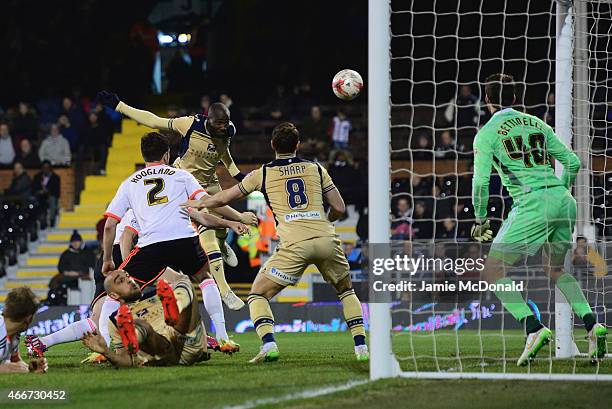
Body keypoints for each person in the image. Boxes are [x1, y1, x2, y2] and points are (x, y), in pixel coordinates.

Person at [183, 122, 369, 363]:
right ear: (298, 145)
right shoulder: (316, 168)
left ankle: (269, 344)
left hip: (294, 244)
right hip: (325, 238)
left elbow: (224, 197)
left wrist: (199, 203)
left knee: (257, 295)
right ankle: (361, 348)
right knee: (346, 291)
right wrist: (326, 220)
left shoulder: (262, 173)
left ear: (272, 145)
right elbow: (339, 207)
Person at [471, 73, 607, 365]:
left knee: (493, 271)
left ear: (487, 100)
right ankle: (592, 323)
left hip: (532, 202)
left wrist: (481, 218)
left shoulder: (487, 133)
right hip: (563, 200)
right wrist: (559, 190)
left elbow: (481, 183)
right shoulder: (537, 123)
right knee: (555, 268)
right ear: (517, 98)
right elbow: (571, 162)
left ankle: (533, 328)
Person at [97, 90, 251, 311]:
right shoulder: (189, 124)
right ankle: (225, 291)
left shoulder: (229, 130)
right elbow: (153, 120)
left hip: (209, 183)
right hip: (182, 183)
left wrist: (238, 176)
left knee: (219, 231)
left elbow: (224, 154)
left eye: (225, 124)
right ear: (209, 119)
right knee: (206, 242)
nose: (223, 128)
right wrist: (119, 106)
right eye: (219, 124)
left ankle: (222, 243)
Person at [101, 132, 254, 351]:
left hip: (151, 245)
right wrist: (232, 222)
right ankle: (222, 337)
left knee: (114, 293)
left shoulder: (130, 183)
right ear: (167, 154)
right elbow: (205, 206)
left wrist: (108, 259)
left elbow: (109, 225)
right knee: (205, 278)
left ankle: (105, 347)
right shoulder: (181, 176)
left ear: (144, 155)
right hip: (185, 240)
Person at [81, 271, 210, 367]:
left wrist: (204, 349)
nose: (129, 280)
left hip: (185, 338)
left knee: (185, 282)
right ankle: (134, 337)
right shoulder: (115, 319)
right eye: (121, 281)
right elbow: (126, 360)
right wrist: (106, 351)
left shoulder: (159, 293)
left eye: (128, 276)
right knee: (143, 326)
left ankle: (175, 309)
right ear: (114, 295)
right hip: (162, 353)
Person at [0, 287, 47, 374]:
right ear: (29, 318)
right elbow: (5, 367)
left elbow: (15, 361)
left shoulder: (13, 334)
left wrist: (30, 368)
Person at [32, 161, 61, 228]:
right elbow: (34, 188)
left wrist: (47, 191)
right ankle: (41, 222)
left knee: (52, 201)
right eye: (44, 168)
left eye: (47, 168)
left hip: (50, 197)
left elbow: (57, 191)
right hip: (39, 197)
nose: (46, 169)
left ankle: (52, 220)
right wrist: (40, 192)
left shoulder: (55, 178)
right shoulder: (37, 177)